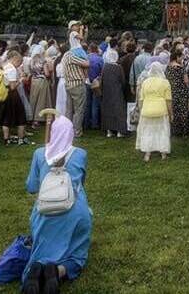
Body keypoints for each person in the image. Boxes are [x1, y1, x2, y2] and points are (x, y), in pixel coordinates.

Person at [22, 117, 92, 293]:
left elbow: (31, 187)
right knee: (77, 257)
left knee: (42, 249)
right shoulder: (80, 154)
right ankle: (58, 271)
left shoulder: (39, 154)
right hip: (75, 212)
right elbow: (80, 184)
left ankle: (37, 267)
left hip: (44, 212)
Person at [135, 62, 172, 161]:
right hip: (161, 110)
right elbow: (168, 100)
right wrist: (171, 113)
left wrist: (141, 110)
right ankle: (163, 153)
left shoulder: (145, 82)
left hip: (147, 110)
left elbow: (141, 99)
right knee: (162, 131)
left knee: (147, 131)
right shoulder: (165, 83)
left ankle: (147, 153)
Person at [99, 49, 128, 138]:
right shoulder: (118, 67)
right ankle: (119, 131)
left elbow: (102, 80)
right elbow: (122, 80)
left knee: (107, 110)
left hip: (107, 91)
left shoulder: (105, 67)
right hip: (117, 91)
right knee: (118, 111)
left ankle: (109, 131)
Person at [165, 47, 189, 136]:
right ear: (177, 57)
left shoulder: (168, 67)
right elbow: (186, 81)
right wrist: (188, 89)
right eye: (181, 58)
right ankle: (183, 130)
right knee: (183, 110)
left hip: (172, 91)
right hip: (182, 91)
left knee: (174, 109)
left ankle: (175, 129)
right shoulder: (181, 68)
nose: (182, 60)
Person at [26, 44, 54, 128]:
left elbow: (30, 72)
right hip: (42, 81)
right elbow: (47, 74)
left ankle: (30, 117)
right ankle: (37, 120)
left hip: (34, 81)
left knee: (33, 100)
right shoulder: (43, 61)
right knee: (41, 101)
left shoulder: (31, 60)